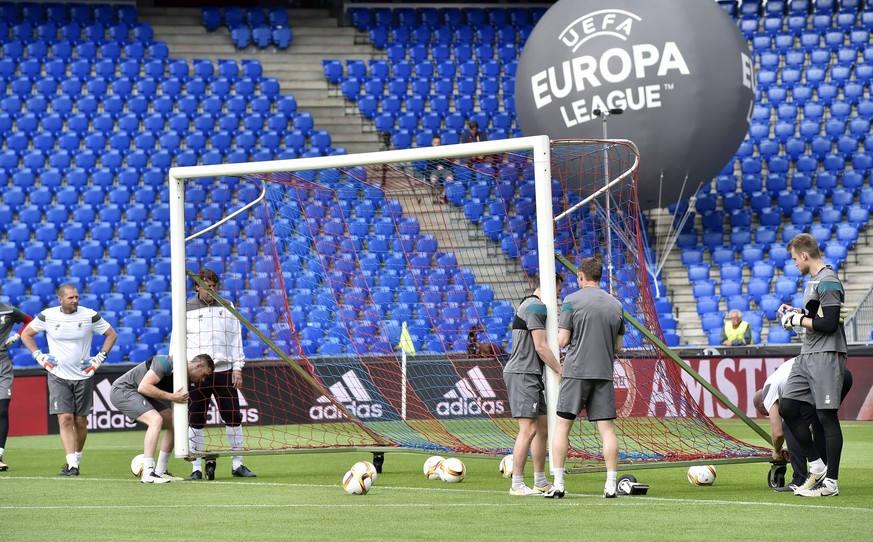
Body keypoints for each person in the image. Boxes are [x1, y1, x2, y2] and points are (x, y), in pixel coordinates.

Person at [546, 257, 624, 499]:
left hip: (576, 371)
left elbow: (562, 340)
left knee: (562, 427)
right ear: (599, 276)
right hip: (603, 372)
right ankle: (610, 484)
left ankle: (558, 484)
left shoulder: (571, 301)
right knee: (607, 431)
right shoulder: (616, 305)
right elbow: (618, 346)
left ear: (581, 276)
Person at [20, 284, 118, 476]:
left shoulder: (89, 315)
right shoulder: (47, 316)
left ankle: (77, 459)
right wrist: (39, 356)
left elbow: (111, 335)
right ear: (60, 300)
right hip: (58, 375)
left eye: (76, 297)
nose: (75, 300)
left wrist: (99, 358)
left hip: (83, 375)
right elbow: (26, 334)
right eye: (71, 297)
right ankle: (72, 464)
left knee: (80, 421)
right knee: (65, 418)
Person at [776, 233, 847, 497]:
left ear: (804, 255)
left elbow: (829, 324)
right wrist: (796, 313)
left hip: (827, 355)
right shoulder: (814, 280)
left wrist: (797, 322)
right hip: (808, 355)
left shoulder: (828, 280)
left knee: (826, 417)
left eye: (795, 258)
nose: (794, 263)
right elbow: (816, 315)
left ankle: (831, 484)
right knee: (788, 408)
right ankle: (816, 467)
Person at [175, 269, 256, 480]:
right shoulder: (184, 309)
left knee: (233, 418)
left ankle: (237, 464)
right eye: (206, 286)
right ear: (197, 286)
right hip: (197, 374)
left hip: (224, 371)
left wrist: (238, 367)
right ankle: (196, 468)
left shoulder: (228, 307)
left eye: (213, 286)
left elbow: (235, 339)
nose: (210, 290)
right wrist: (180, 371)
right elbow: (176, 342)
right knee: (196, 420)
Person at [502, 274, 563, 496]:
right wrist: (559, 369)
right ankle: (516, 484)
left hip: (531, 373)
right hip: (522, 373)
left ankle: (540, 481)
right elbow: (540, 346)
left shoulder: (532, 305)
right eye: (557, 291)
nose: (558, 297)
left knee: (542, 429)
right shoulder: (535, 306)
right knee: (527, 431)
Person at [753, 358, 853, 492]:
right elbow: (805, 426)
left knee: (787, 425)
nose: (770, 414)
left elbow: (778, 433)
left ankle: (799, 480)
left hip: (823, 379)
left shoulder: (768, 390)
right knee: (819, 423)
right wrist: (795, 445)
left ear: (763, 404)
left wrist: (777, 451)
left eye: (767, 412)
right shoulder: (781, 376)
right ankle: (821, 478)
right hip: (843, 374)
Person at [111, 354, 215, 483]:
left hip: (141, 395)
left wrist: (184, 449)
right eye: (204, 375)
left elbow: (176, 413)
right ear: (199, 366)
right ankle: (148, 472)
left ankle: (161, 471)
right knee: (156, 420)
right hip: (123, 390)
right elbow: (144, 387)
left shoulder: (185, 380)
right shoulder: (167, 362)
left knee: (175, 423)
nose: (203, 379)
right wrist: (172, 396)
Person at [0, 302, 34, 471]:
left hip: (2, 366)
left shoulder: (9, 310)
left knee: (3, 410)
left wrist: (16, 336)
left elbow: (31, 321)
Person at [427, 133, 452, 204]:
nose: (437, 144)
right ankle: (443, 193)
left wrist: (439, 163)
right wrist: (438, 163)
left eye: (438, 143)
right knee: (433, 180)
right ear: (432, 143)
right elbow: (429, 162)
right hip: (434, 170)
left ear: (440, 143)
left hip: (445, 169)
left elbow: (448, 162)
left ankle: (442, 196)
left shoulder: (445, 150)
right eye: (435, 143)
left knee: (450, 180)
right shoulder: (428, 151)